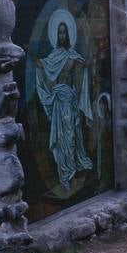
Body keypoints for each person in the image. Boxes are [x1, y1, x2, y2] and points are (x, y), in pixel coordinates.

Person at [30, 15, 94, 189]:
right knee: (60, 138)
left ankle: (72, 169)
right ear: (56, 35)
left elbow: (84, 67)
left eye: (64, 32)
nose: (62, 35)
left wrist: (88, 61)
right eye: (60, 33)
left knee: (72, 136)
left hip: (71, 99)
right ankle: (64, 174)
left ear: (68, 35)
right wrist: (30, 53)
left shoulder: (73, 55)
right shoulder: (54, 55)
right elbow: (42, 66)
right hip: (59, 99)